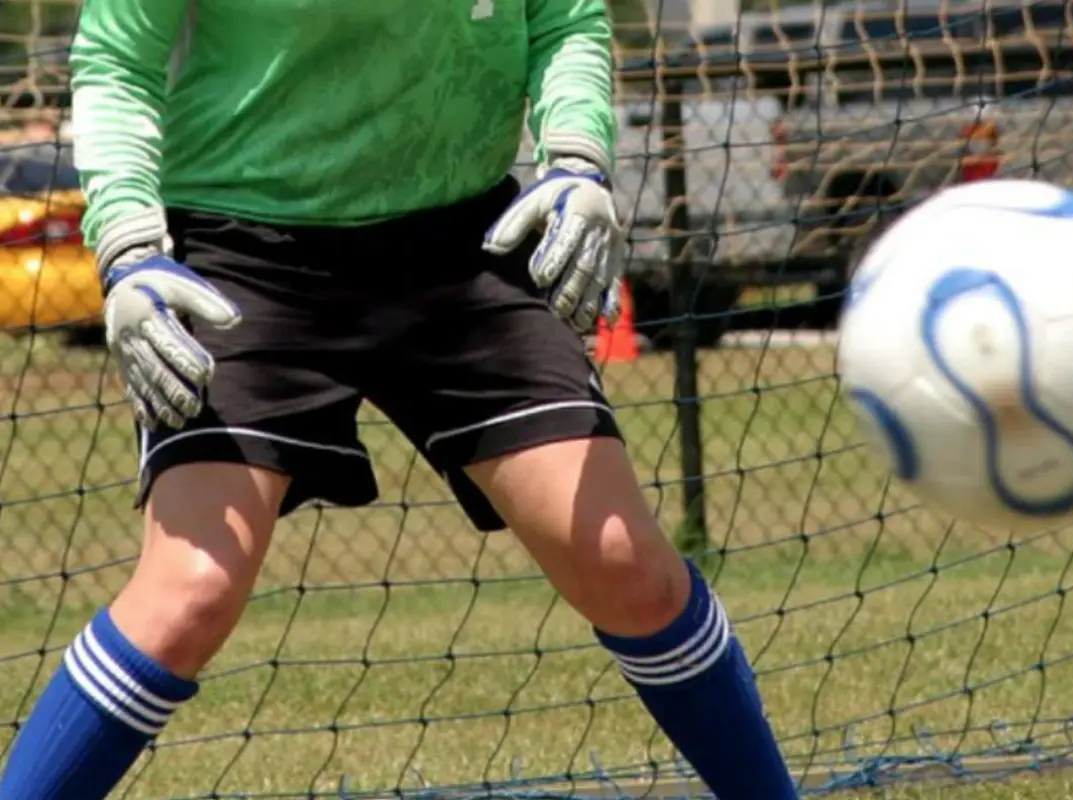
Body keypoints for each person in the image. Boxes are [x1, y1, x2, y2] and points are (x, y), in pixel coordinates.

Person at [0, 2, 799, 798]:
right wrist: (131, 250)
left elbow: (566, 18)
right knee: (189, 597)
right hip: (241, 259)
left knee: (627, 568)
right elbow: (115, 61)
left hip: (462, 246)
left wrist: (578, 160)